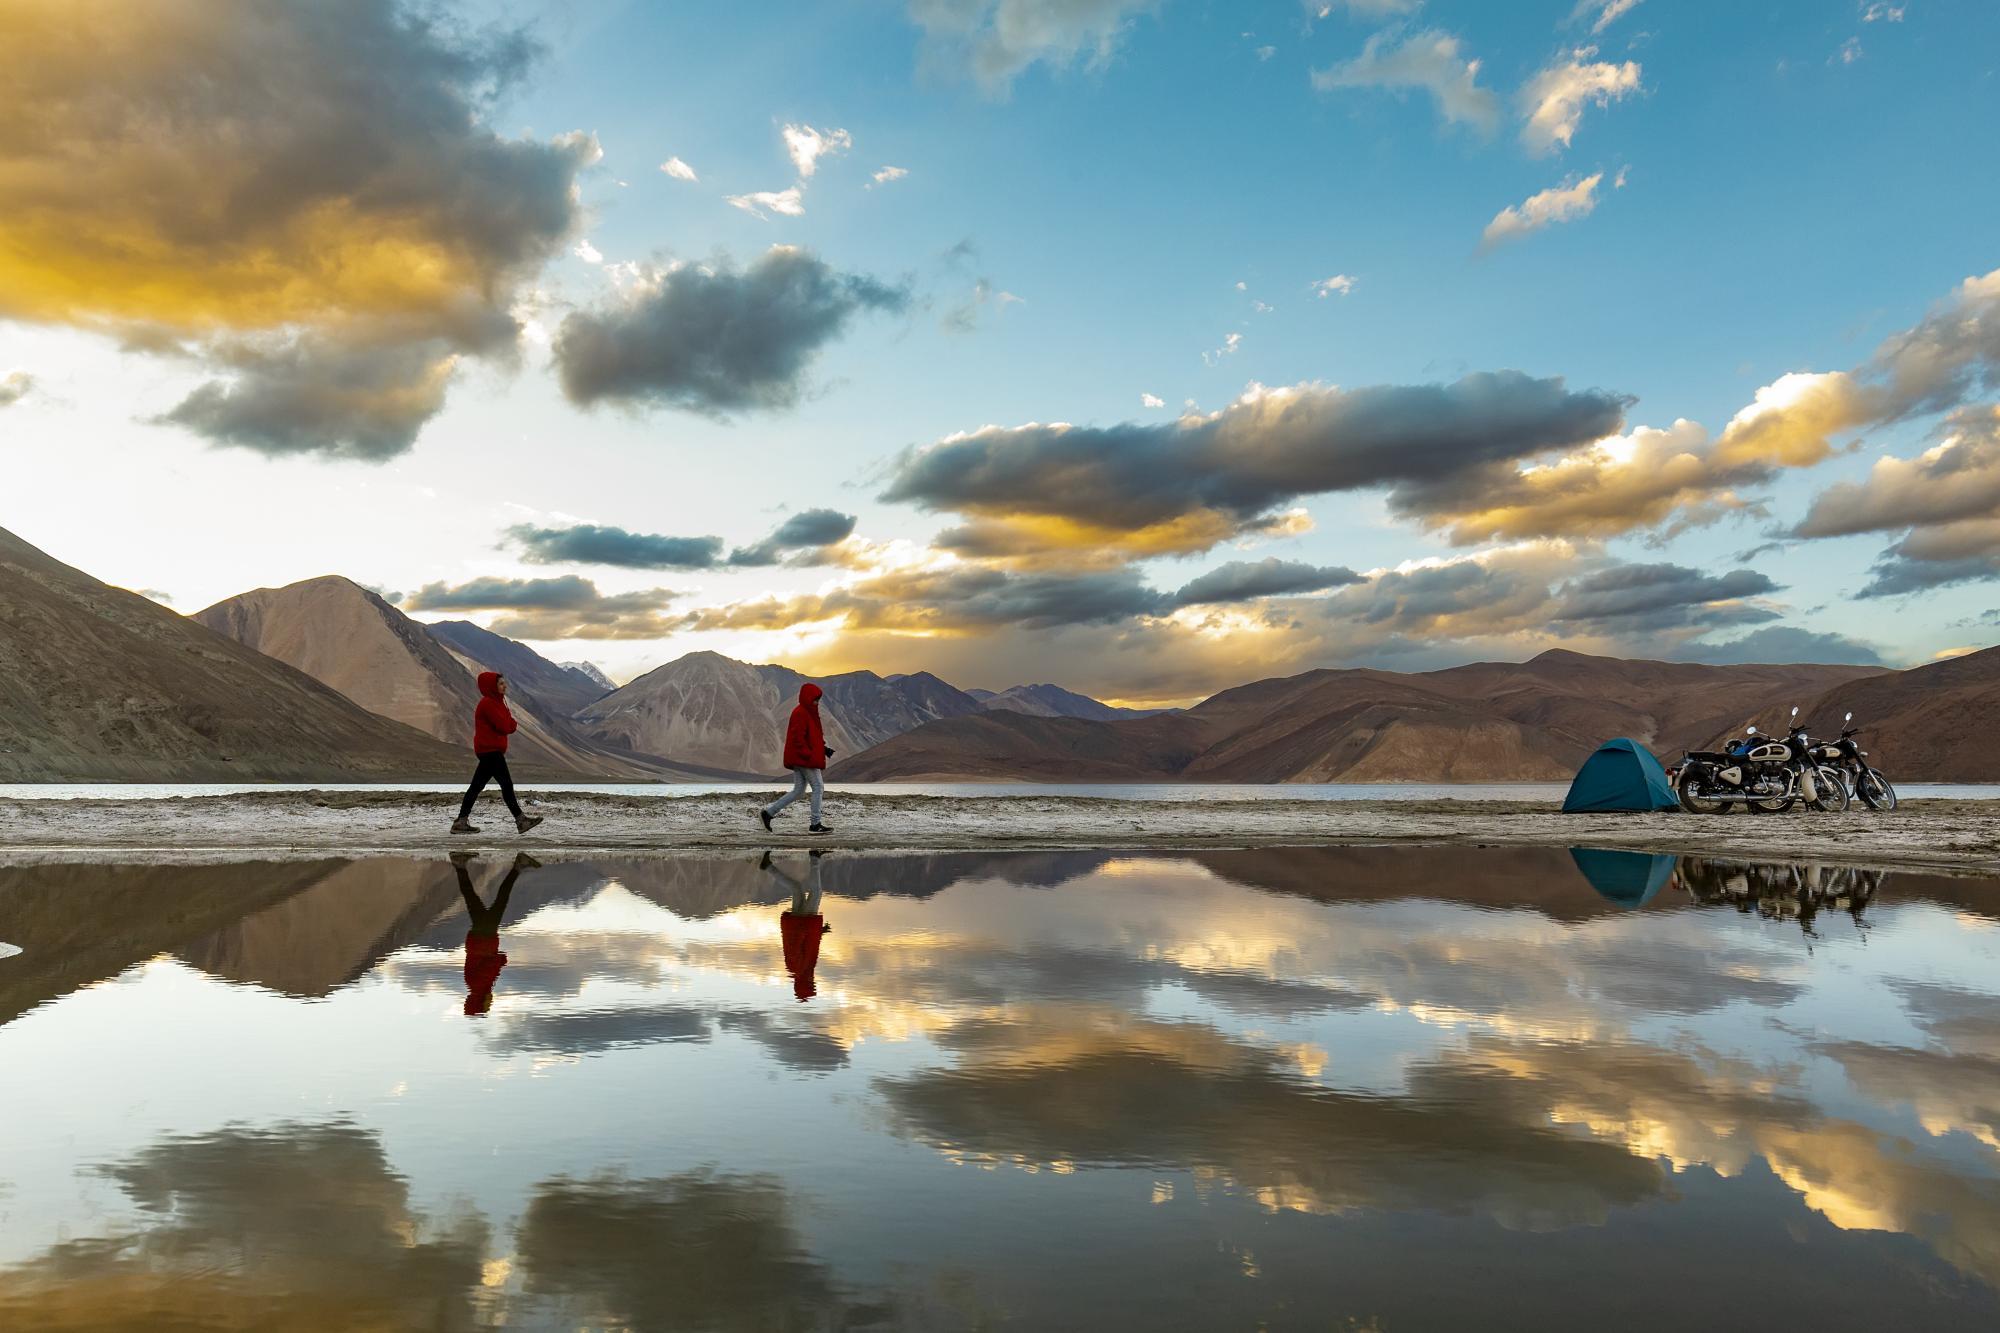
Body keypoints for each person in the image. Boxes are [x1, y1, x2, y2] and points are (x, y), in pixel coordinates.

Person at [452, 671, 544, 835]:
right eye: (501, 683)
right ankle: (521, 821)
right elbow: (505, 726)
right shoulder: (488, 703)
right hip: (490, 751)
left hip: (489, 750)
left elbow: (507, 724)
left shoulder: (498, 702)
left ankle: (461, 821)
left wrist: (509, 723)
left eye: (504, 683)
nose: (505, 686)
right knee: (506, 785)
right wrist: (511, 723)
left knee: (476, 786)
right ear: (492, 686)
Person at [451, 850, 537, 1016]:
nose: (490, 1002)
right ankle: (459, 865)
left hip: (484, 938)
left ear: (479, 1003)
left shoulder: (478, 986)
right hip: (479, 939)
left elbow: (488, 967)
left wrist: (501, 960)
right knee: (473, 897)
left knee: (500, 900)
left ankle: (517, 867)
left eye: (486, 1006)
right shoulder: (478, 986)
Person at [759, 682, 834, 834]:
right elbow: (797, 738)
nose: (817, 702)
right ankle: (815, 824)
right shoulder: (801, 713)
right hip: (804, 758)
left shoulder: (808, 712)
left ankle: (768, 813)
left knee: (799, 791)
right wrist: (808, 754)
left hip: (802, 758)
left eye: (818, 699)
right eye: (815, 699)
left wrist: (823, 749)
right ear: (808, 698)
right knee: (818, 787)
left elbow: (811, 737)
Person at [762, 849, 831, 1002]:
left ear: (804, 984)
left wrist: (807, 927)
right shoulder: (803, 970)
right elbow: (809, 945)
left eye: (811, 986)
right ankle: (767, 867)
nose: (814, 984)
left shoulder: (799, 968)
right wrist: (820, 932)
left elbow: (797, 942)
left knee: (816, 892)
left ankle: (815, 858)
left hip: (804, 922)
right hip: (800, 923)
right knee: (796, 889)